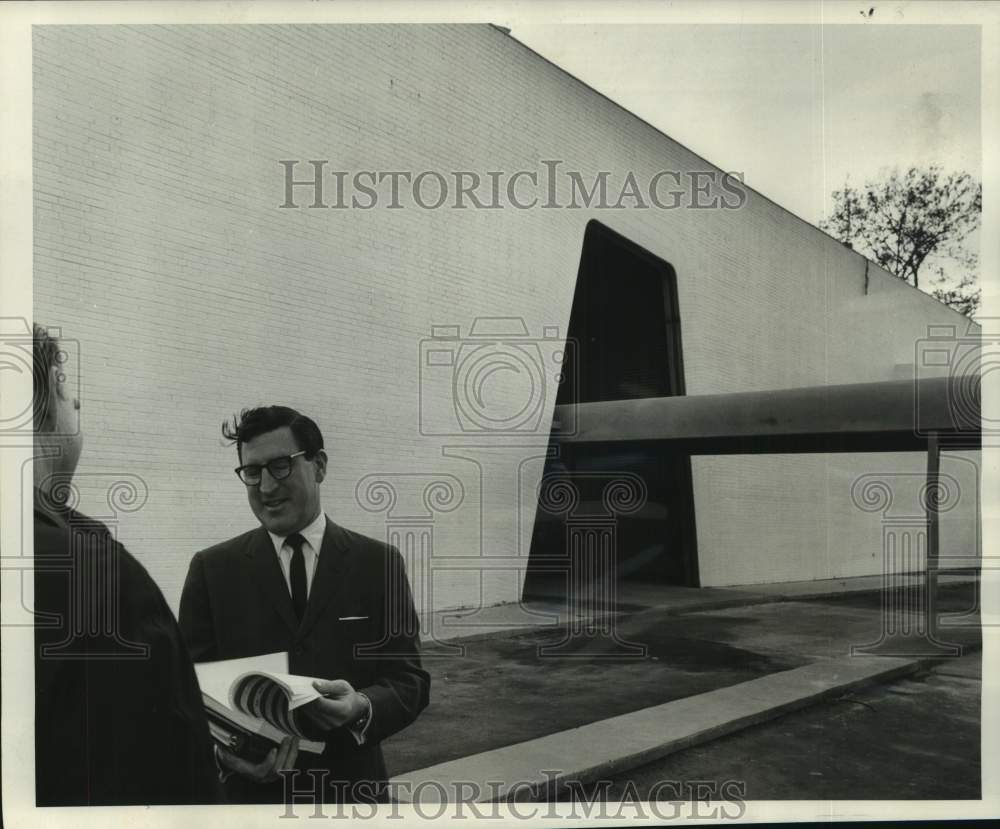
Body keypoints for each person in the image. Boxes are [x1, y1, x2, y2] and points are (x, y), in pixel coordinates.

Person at [178, 406, 430, 804]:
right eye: (252, 472)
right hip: (251, 802)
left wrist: (361, 707)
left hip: (352, 797)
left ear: (320, 466)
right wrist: (225, 756)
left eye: (280, 466)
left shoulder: (377, 563)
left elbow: (409, 681)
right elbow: (186, 695)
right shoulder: (211, 570)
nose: (265, 487)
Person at [32, 324, 219, 805]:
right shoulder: (93, 573)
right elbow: (159, 776)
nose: (77, 405)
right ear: (45, 394)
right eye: (65, 384)